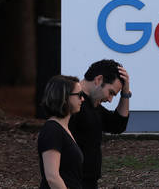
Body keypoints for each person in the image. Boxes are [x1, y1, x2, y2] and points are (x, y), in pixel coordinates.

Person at [69, 59, 131, 188]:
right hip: (72, 181)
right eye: (111, 93)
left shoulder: (93, 104)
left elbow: (118, 125)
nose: (110, 99)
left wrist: (125, 94)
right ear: (98, 80)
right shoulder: (72, 104)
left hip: (88, 180)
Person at [38, 75, 85, 189]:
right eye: (79, 95)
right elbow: (52, 177)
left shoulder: (63, 129)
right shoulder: (52, 131)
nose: (82, 99)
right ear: (64, 97)